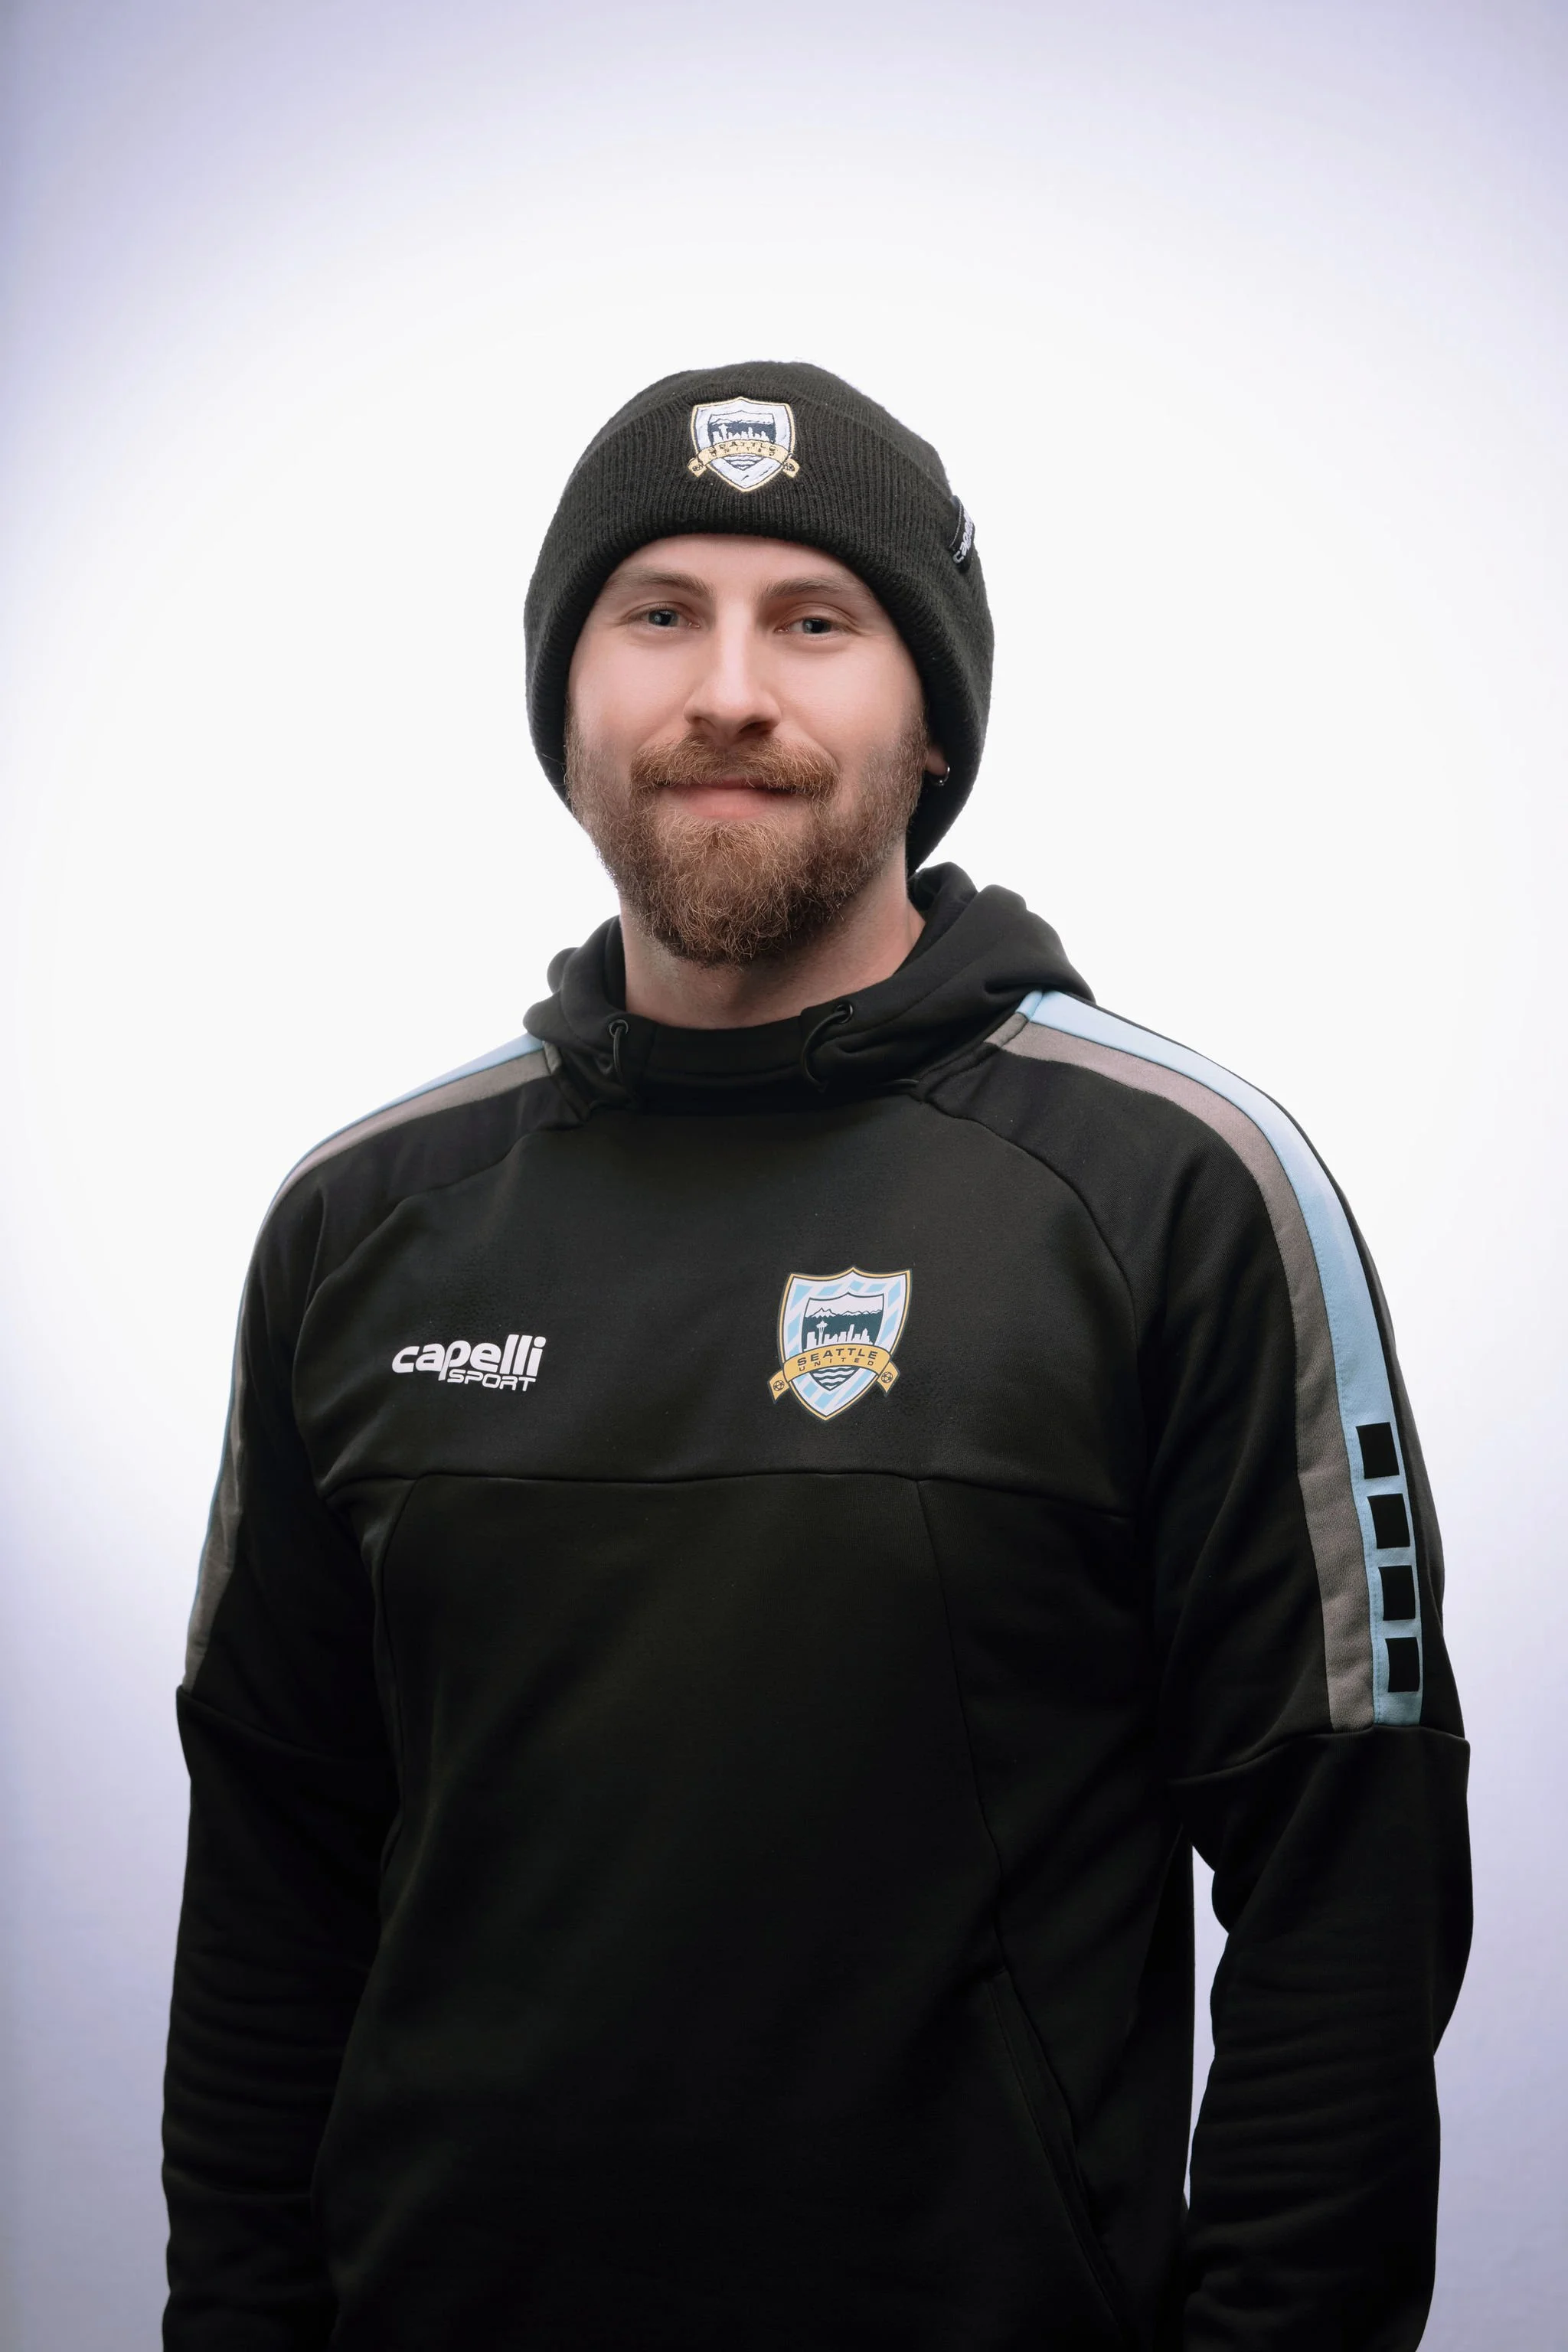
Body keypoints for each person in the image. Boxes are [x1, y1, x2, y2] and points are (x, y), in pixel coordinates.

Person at [162, 361, 1471, 2350]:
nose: (731, 692)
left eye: (817, 621)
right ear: (566, 697)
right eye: (660, 611)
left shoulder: (1176, 1191)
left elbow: (1347, 1881)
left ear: (931, 719)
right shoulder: (362, 1224)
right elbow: (275, 1870)